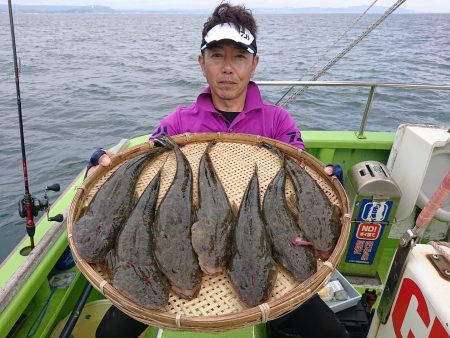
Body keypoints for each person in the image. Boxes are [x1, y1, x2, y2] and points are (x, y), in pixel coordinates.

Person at [92, 3, 345, 337]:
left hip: (262, 245)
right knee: (108, 335)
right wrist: (103, 165)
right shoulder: (178, 122)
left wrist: (327, 176)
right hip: (180, 247)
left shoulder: (277, 121)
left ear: (254, 64)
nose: (228, 68)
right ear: (202, 62)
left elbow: (298, 176)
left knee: (334, 335)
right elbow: (148, 166)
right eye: (217, 56)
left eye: (239, 57)